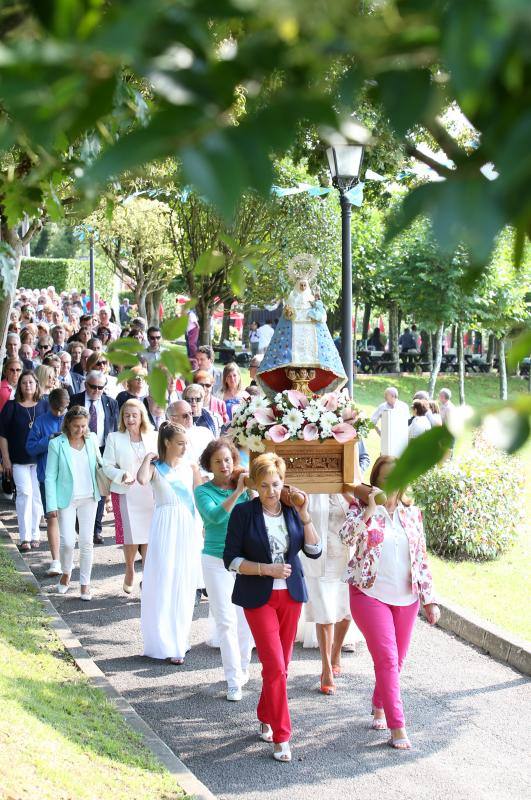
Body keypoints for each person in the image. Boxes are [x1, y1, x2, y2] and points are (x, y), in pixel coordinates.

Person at [223, 453, 322, 763]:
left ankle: (265, 712)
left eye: (276, 485)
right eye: (264, 485)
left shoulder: (293, 510)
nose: (270, 491)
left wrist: (305, 514)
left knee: (281, 667)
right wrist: (266, 569)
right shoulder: (243, 514)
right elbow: (231, 560)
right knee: (276, 667)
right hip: (258, 597)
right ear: (255, 484)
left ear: (283, 483)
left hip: (290, 596)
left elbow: (315, 551)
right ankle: (282, 736)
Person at [338, 456, 440, 750]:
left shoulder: (412, 514)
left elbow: (420, 558)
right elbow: (346, 537)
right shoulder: (360, 509)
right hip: (369, 594)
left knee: (398, 660)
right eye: (384, 478)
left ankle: (379, 703)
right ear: (375, 482)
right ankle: (398, 727)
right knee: (387, 658)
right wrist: (370, 508)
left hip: (406, 598)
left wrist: (429, 599)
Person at [195, 439, 254, 701]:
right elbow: (215, 517)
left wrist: (248, 490)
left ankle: (243, 667)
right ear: (209, 464)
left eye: (228, 459)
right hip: (216, 560)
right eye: (218, 461)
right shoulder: (202, 491)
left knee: (246, 619)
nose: (224, 465)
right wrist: (237, 492)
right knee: (226, 621)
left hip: (244, 561)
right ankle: (233, 680)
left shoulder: (245, 485)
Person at [138, 422, 202, 663]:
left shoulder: (189, 468)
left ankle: (179, 640)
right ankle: (161, 640)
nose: (184, 448)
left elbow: (200, 495)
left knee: (184, 583)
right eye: (180, 443)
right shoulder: (156, 468)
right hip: (164, 524)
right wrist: (147, 459)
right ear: (167, 443)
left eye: (186, 443)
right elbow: (142, 480)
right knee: (163, 580)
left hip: (187, 525)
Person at [303, 494, 361, 695]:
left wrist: (348, 493)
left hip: (344, 558)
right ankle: (326, 668)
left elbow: (360, 514)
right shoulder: (312, 487)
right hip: (318, 559)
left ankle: (336, 652)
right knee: (325, 615)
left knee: (346, 612)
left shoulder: (348, 487)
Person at [45, 406, 101, 601]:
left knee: (87, 542)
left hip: (89, 497)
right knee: (68, 542)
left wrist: (119, 477)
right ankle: (66, 572)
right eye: (76, 426)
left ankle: (85, 585)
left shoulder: (92, 439)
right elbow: (50, 476)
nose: (80, 430)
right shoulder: (56, 443)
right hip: (66, 498)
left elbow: (101, 466)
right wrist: (50, 505)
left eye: (83, 426)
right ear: (68, 424)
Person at [102, 399, 157, 593]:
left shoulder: (154, 436)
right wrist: (120, 474)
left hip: (150, 492)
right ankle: (129, 568)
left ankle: (148, 573)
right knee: (130, 535)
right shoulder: (114, 437)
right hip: (126, 492)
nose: (130, 419)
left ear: (142, 416)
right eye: (127, 415)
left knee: (150, 534)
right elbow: (106, 465)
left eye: (134, 415)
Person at [0, 371, 48, 551]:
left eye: (31, 382)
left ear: (36, 385)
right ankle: (24, 537)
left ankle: (35, 535)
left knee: (37, 497)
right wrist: (5, 458)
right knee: (24, 494)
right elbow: (2, 434)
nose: (28, 385)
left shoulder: (44, 406)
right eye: (24, 383)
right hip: (18, 459)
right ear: (19, 386)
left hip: (39, 459)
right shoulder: (11, 406)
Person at [70, 370, 119, 544]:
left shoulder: (110, 403)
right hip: (79, 447)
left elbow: (114, 428)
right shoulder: (74, 400)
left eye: (100, 388)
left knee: (100, 488)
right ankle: (79, 523)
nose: (96, 391)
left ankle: (96, 529)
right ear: (86, 385)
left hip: (102, 449)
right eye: (93, 387)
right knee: (80, 485)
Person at [26, 387, 70, 576]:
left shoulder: (72, 420)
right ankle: (55, 561)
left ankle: (67, 559)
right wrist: (48, 440)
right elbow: (30, 447)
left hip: (69, 478)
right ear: (49, 405)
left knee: (67, 518)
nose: (60, 413)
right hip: (47, 478)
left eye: (63, 409)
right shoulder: (41, 421)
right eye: (56, 410)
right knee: (52, 516)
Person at [167, 400, 213, 464]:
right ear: (173, 419)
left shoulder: (205, 432)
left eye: (191, 413)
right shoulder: (168, 440)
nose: (189, 417)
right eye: (185, 415)